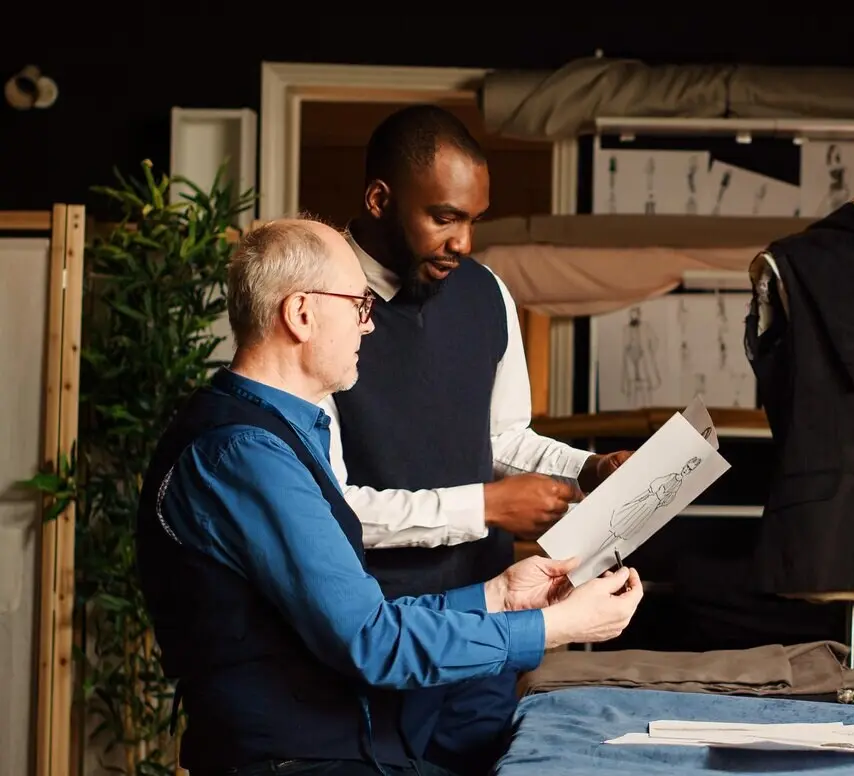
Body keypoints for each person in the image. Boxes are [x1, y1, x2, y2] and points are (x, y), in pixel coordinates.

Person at [135, 218, 644, 775]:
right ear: (301, 314)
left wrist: (498, 596)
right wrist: (558, 627)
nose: (369, 324)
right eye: (359, 305)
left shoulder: (278, 432)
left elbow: (363, 620)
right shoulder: (246, 454)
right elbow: (372, 641)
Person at [320, 105, 635, 774]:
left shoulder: (486, 292)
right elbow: (329, 509)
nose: (462, 242)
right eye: (444, 217)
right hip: (378, 635)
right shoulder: (319, 308)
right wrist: (487, 506)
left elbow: (503, 437)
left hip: (491, 620)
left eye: (473, 220)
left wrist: (587, 469)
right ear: (379, 200)